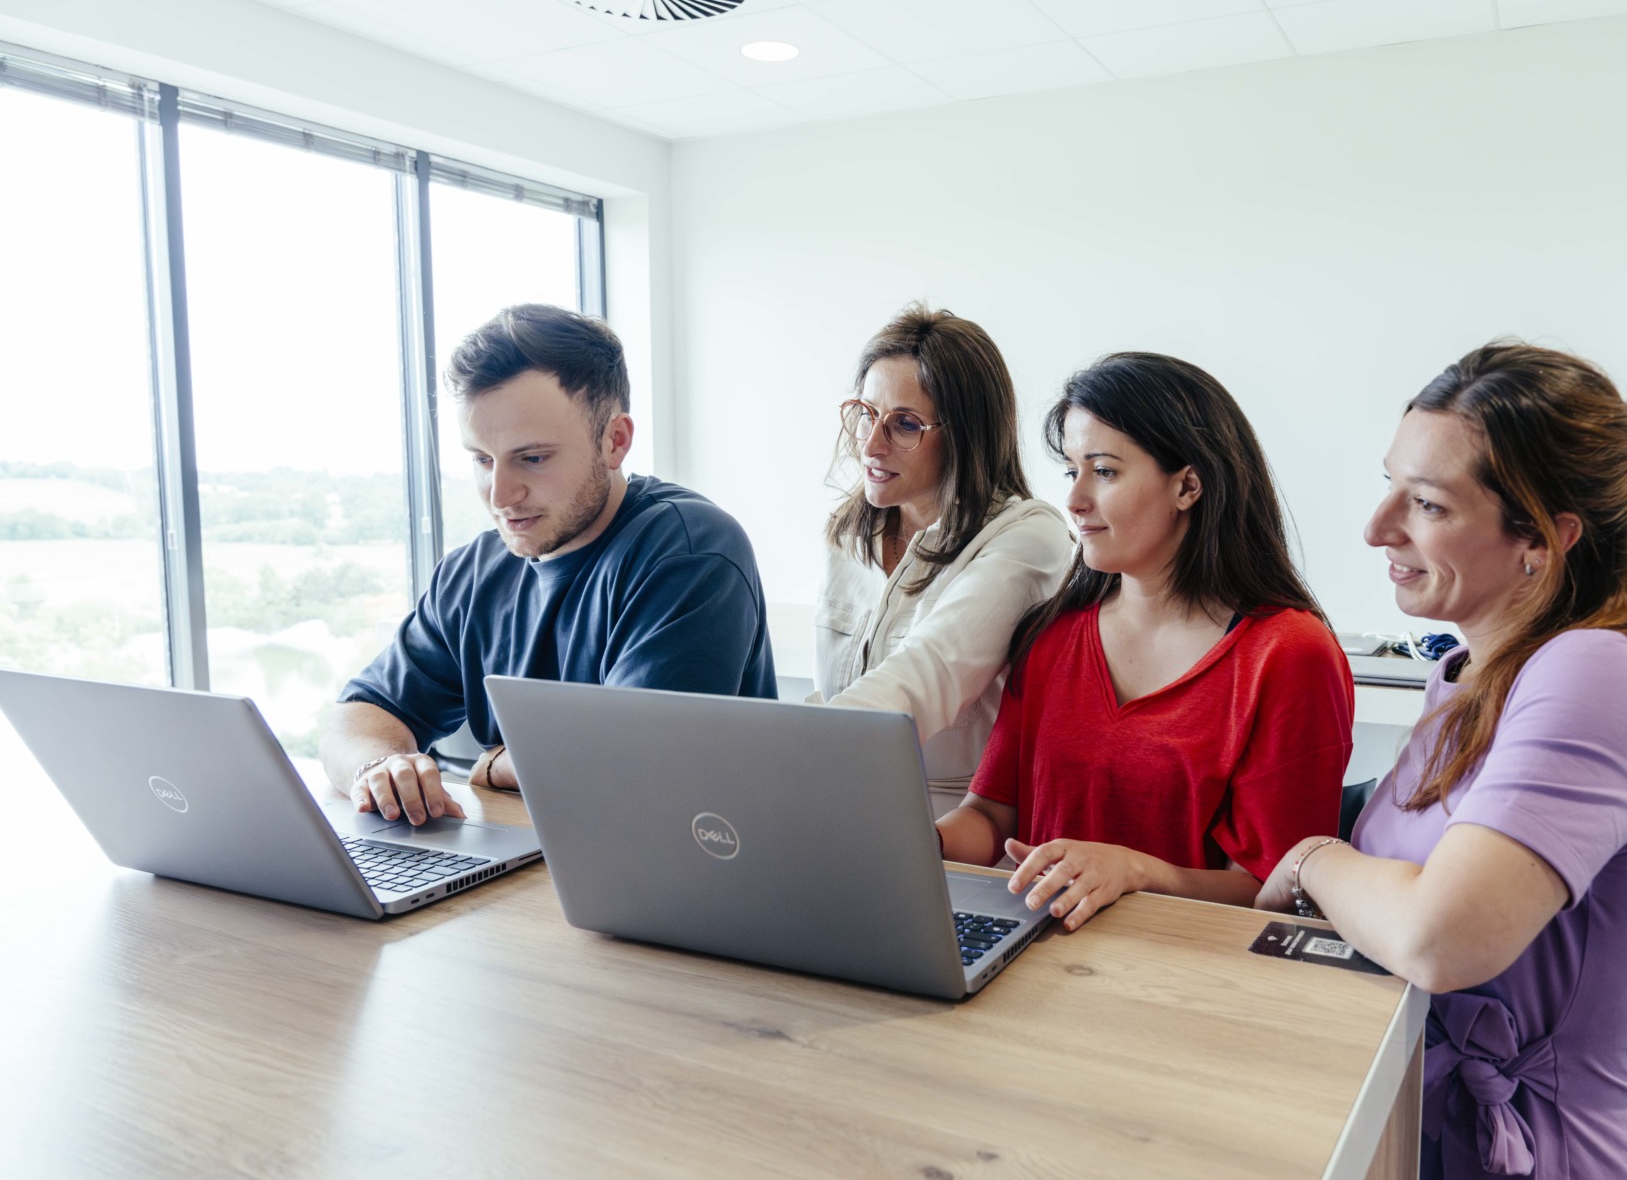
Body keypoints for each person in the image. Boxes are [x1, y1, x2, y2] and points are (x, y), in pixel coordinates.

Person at [1257, 342, 1627, 1180]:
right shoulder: (1470, 675)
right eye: (1392, 487)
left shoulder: (1594, 672)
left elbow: (1440, 936)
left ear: (1546, 536)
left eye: (1425, 504)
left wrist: (1313, 857)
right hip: (1431, 1156)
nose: (1378, 527)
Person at [936, 352, 1352, 929]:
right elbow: (990, 816)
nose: (1075, 499)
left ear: (1188, 485)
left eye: (1103, 471)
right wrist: (913, 844)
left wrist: (1133, 871)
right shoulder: (1051, 636)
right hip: (1028, 961)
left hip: (1184, 984)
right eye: (1071, 471)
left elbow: (1274, 895)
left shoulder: (1288, 654)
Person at [321, 304, 777, 825]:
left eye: (532, 458)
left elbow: (630, 772)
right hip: (526, 862)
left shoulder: (690, 550)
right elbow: (354, 720)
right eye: (482, 459)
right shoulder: (474, 570)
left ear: (615, 441)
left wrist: (492, 762)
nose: (500, 495)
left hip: (677, 871)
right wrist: (380, 767)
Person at [813, 304, 1074, 813]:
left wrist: (788, 749)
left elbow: (925, 676)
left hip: (958, 838)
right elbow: (835, 698)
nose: (870, 444)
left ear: (965, 435)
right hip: (842, 811)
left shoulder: (1028, 538)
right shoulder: (847, 533)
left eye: (904, 424)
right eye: (865, 414)